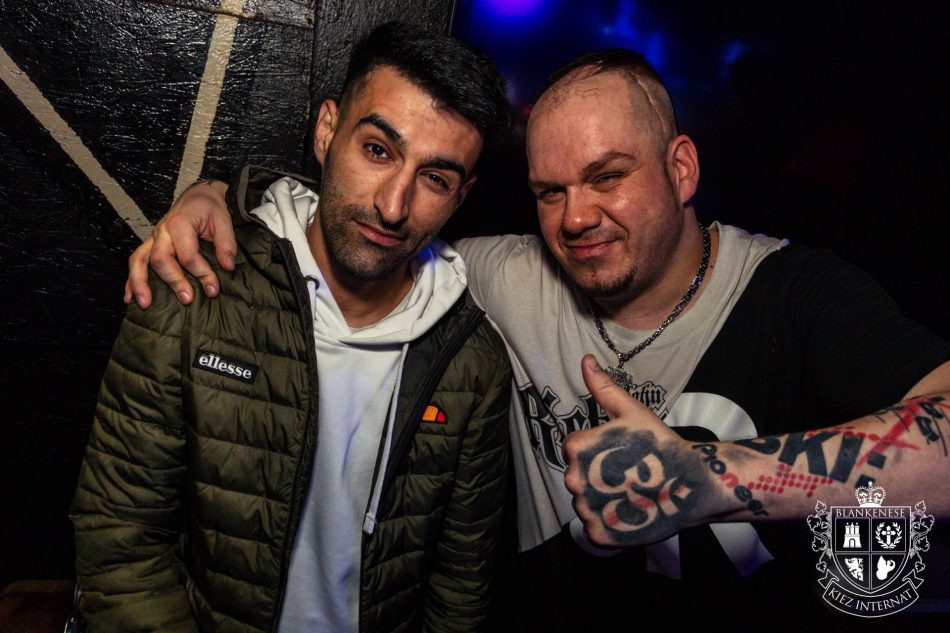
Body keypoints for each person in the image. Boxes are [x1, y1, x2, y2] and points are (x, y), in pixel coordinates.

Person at [123, 48, 950, 628]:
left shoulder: (794, 294)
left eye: (606, 176)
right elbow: (369, 221)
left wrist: (712, 478)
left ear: (682, 169)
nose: (576, 217)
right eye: (549, 191)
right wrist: (218, 198)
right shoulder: (506, 275)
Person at [70, 22, 513, 633]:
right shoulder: (193, 289)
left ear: (461, 195)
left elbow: (459, 589)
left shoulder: (472, 364)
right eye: (377, 150)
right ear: (327, 130)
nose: (393, 205)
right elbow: (121, 541)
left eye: (435, 179)